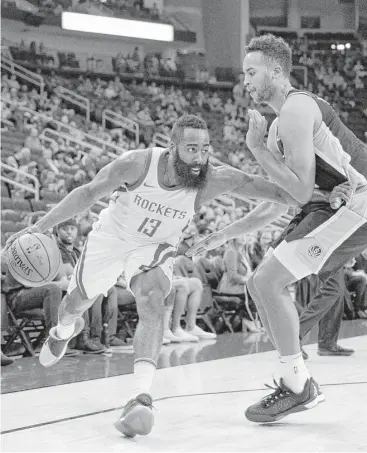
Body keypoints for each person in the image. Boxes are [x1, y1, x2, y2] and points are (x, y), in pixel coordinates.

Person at [4, 114, 346, 437]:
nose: (200, 157)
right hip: (111, 238)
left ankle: (140, 398)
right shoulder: (136, 164)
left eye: (205, 148)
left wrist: (324, 195)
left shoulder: (214, 177)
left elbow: (270, 190)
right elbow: (87, 194)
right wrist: (40, 226)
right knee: (74, 305)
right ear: (172, 148)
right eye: (191, 149)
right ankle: (63, 330)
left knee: (154, 300)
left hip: (154, 247)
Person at [187, 34, 367, 423]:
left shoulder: (295, 111)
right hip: (335, 202)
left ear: (276, 71)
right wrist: (223, 234)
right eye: (244, 73)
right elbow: (284, 201)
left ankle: (298, 385)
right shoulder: (275, 129)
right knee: (258, 283)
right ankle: (297, 376)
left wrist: (257, 151)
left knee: (269, 282)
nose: (245, 80)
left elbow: (301, 191)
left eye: (252, 71)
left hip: (358, 201)